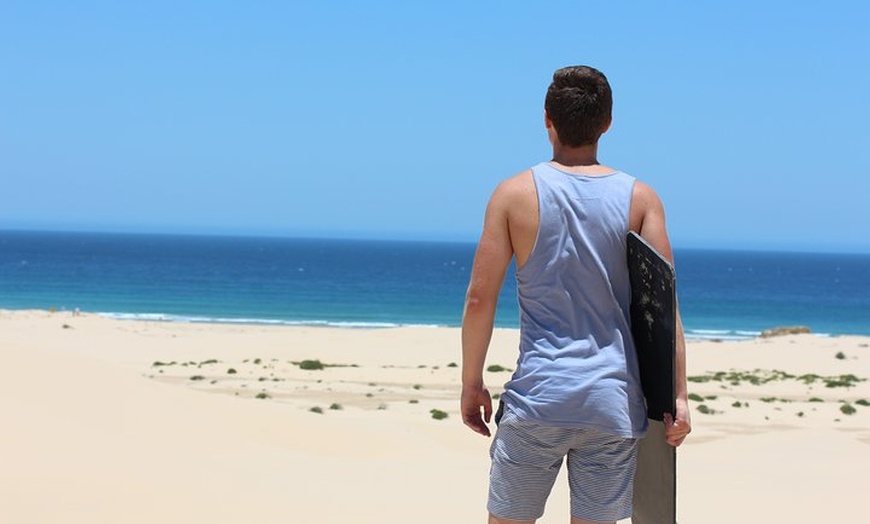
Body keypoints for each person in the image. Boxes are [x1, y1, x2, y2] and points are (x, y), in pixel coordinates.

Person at [461, 65, 691, 524]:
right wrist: (678, 396)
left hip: (539, 398)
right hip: (611, 402)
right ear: (607, 122)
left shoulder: (512, 195)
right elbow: (665, 309)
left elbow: (479, 300)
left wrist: (472, 383)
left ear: (547, 119)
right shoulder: (641, 199)